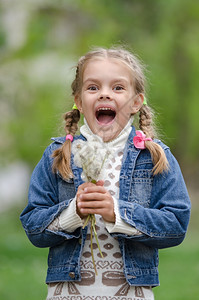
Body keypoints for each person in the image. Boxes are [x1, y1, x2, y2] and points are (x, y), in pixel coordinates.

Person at [20, 47, 191, 300]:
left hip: (130, 293)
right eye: (93, 88)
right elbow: (33, 227)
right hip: (67, 293)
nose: (104, 94)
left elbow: (176, 225)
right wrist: (73, 211)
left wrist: (118, 214)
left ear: (136, 102)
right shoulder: (58, 155)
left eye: (118, 88)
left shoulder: (154, 156)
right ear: (78, 101)